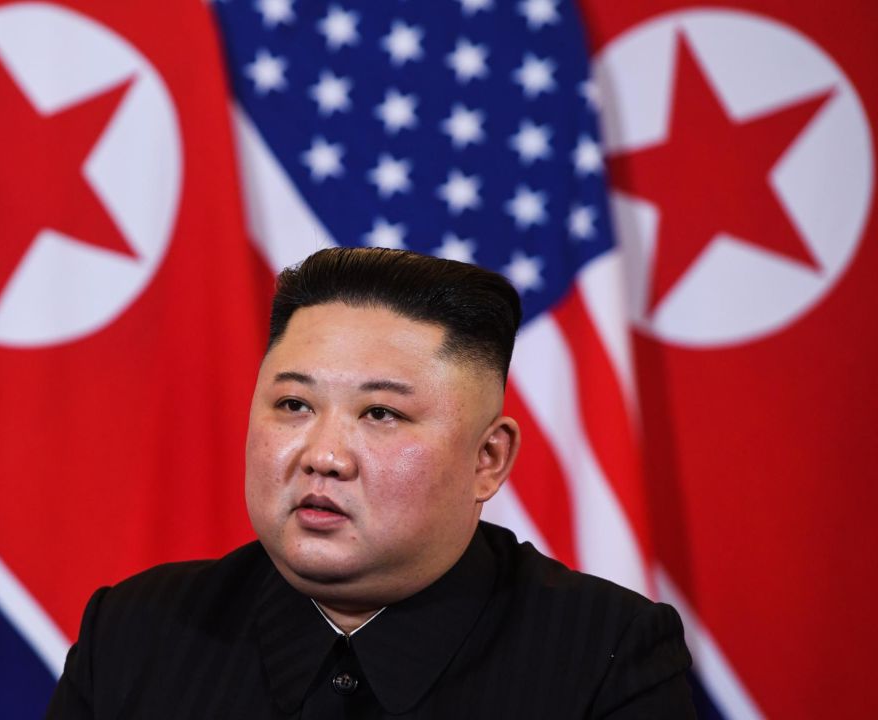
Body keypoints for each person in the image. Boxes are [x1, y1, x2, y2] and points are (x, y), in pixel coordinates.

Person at [46, 247, 694, 718]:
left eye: (381, 414)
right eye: (294, 405)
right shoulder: (137, 632)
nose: (323, 456)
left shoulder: (607, 658)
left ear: (488, 460)